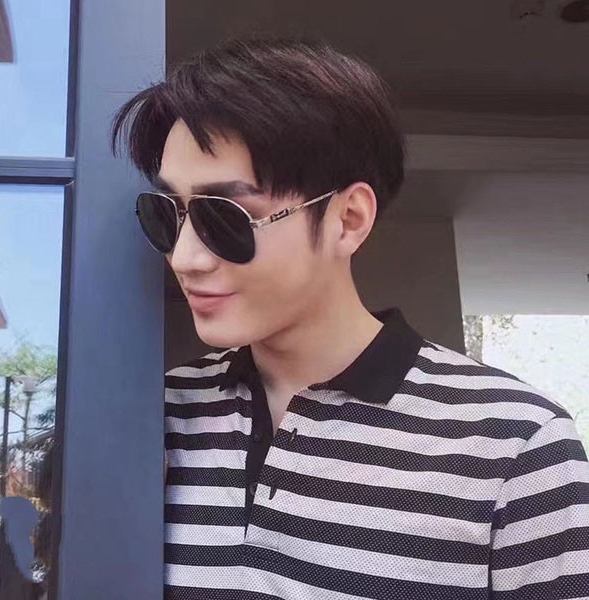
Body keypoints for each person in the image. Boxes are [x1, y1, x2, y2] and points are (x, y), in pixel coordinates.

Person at [112, 35, 589, 599]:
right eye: (167, 214)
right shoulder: (153, 414)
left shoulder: (517, 447)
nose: (185, 258)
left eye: (227, 217)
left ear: (348, 219)